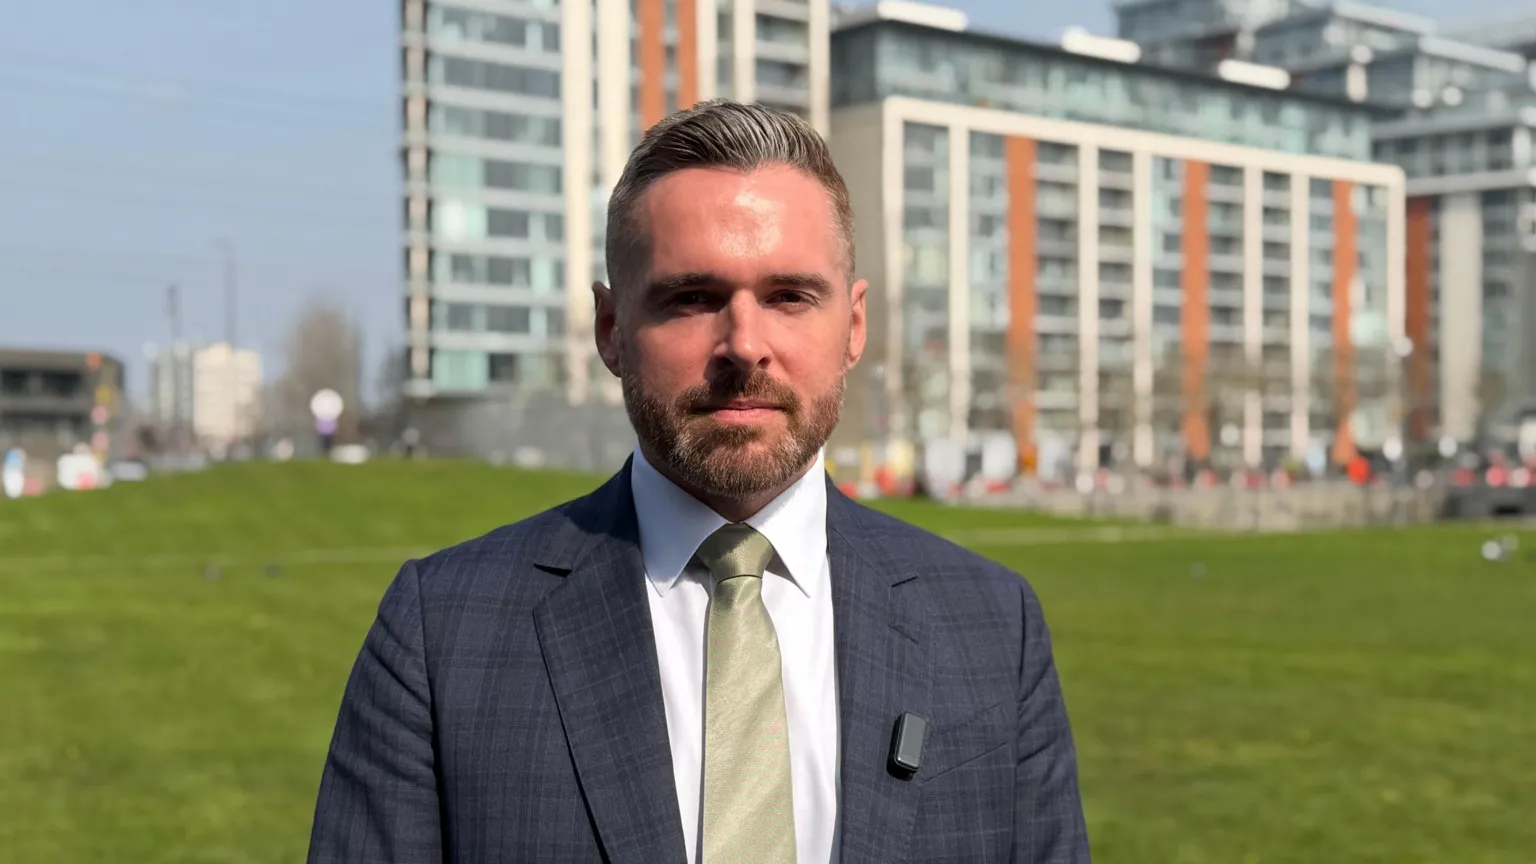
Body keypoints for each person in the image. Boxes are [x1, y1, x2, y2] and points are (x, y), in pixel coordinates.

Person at [307, 99, 1090, 864]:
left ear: (853, 327)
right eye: (692, 299)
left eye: (789, 296)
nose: (744, 345)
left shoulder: (992, 629)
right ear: (611, 330)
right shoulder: (441, 636)